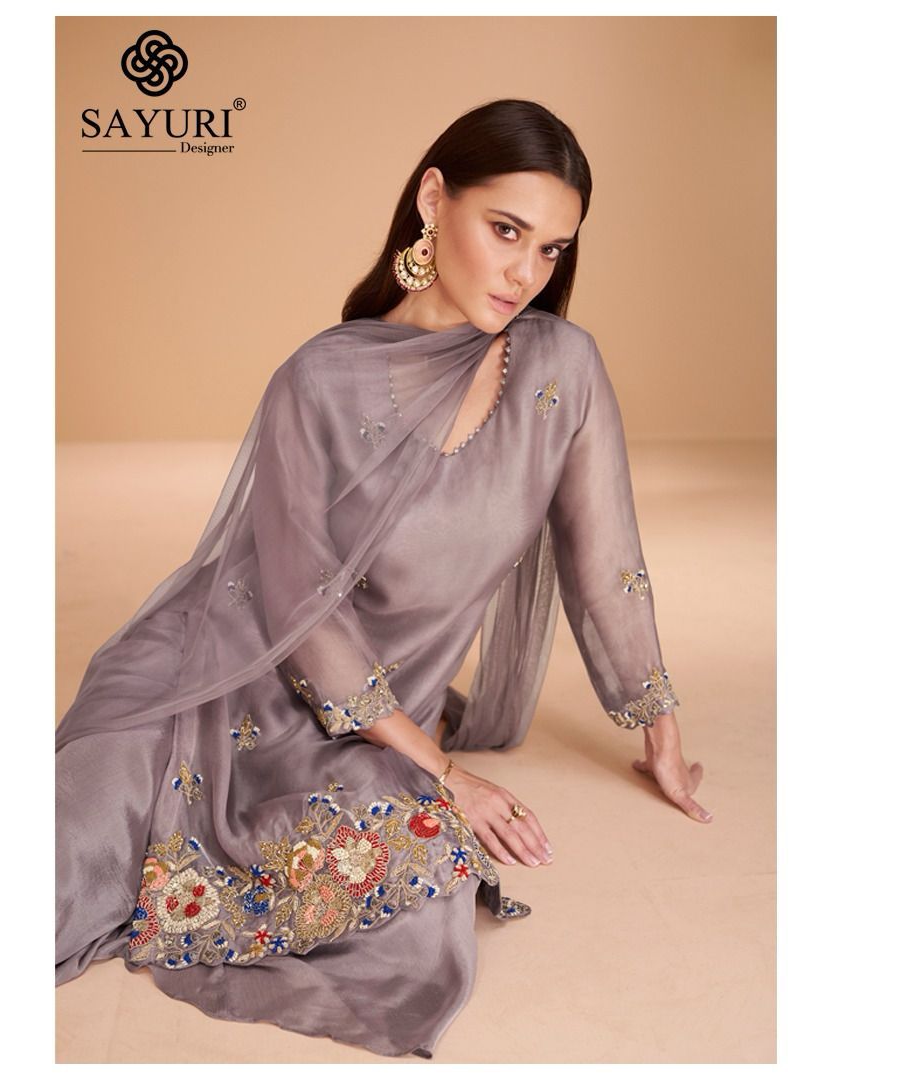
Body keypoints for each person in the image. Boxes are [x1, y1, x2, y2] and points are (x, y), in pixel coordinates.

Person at [55, 98, 711, 1060]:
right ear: (433, 199)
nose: (526, 273)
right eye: (506, 231)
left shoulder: (562, 370)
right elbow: (299, 605)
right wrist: (448, 773)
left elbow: (606, 559)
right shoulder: (318, 381)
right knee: (70, 847)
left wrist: (659, 726)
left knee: (421, 900)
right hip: (223, 676)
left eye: (552, 250)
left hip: (374, 725)